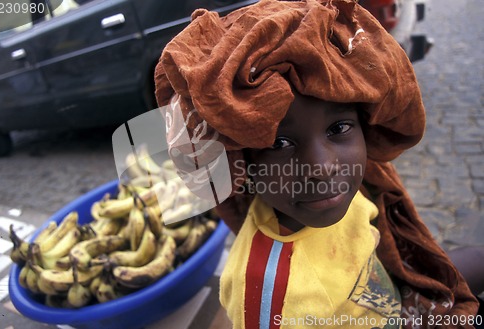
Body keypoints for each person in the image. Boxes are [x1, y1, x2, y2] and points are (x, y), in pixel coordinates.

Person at [154, 0, 480, 327]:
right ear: (242, 164)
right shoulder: (270, 296)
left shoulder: (363, 186)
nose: (321, 167)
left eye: (338, 128)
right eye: (280, 143)